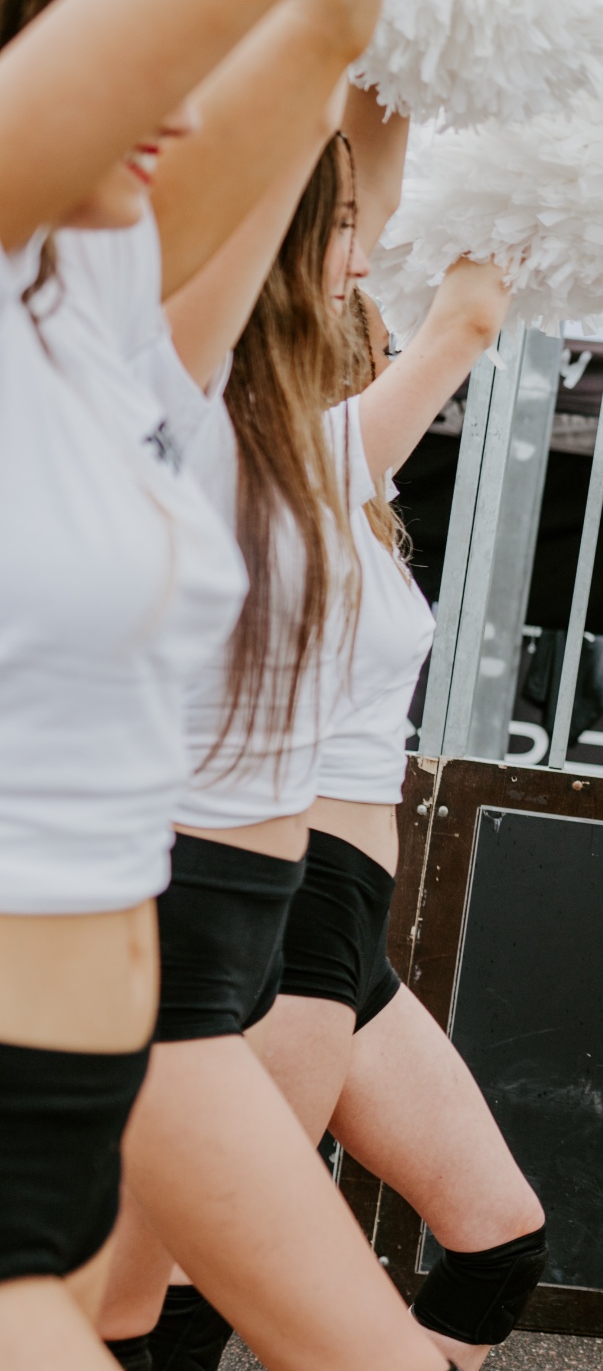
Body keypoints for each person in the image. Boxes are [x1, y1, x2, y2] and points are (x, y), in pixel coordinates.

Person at [142, 94, 544, 1371]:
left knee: (498, 1244)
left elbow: (376, 201)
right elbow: (466, 316)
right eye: (344, 252)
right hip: (284, 895)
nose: (370, 283)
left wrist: (399, 76)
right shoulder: (249, 450)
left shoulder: (338, 489)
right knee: (190, 1300)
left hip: (339, 912)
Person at [0, 0, 334, 1363]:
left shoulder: (91, 308)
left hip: (74, 1107)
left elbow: (321, 34)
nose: (188, 107)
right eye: (145, 49)